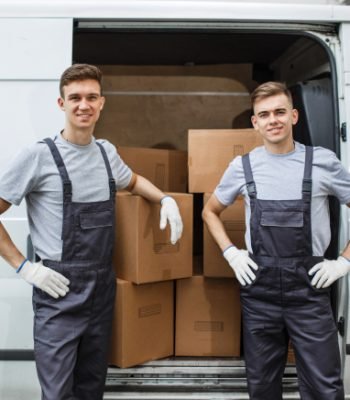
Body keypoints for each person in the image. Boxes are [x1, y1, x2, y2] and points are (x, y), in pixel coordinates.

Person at [0, 63, 183, 400]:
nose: (83, 105)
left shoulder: (105, 152)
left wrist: (165, 199)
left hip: (101, 290)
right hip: (57, 290)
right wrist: (25, 267)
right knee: (57, 393)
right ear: (61, 104)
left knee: (91, 388)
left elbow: (133, 181)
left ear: (102, 103)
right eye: (75, 98)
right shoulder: (38, 156)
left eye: (91, 97)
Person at [202, 81, 350, 400]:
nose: (274, 120)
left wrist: (344, 261)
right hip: (260, 293)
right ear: (255, 122)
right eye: (265, 114)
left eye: (280, 112)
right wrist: (231, 254)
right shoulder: (243, 167)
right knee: (262, 386)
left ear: (294, 116)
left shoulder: (322, 162)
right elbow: (209, 211)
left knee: (325, 386)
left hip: (309, 290)